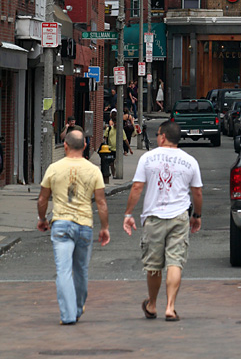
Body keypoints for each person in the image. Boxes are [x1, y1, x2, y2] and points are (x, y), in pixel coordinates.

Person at [123, 120, 203, 321]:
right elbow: (197, 192)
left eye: (158, 134)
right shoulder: (190, 161)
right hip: (179, 216)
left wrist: (128, 214)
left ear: (163, 136)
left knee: (153, 265)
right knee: (175, 262)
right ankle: (170, 307)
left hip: (154, 217)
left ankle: (152, 304)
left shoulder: (147, 158)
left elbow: (137, 187)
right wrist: (197, 215)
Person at [37, 129, 110, 325]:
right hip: (84, 224)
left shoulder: (54, 168)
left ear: (65, 146)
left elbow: (43, 198)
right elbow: (101, 202)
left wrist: (42, 218)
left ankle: (68, 315)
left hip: (61, 224)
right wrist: (104, 227)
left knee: (63, 270)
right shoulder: (93, 170)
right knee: (81, 270)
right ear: (85, 146)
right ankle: (77, 308)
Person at [104, 113, 128, 178]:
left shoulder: (120, 130)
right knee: (111, 163)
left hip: (118, 150)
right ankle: (114, 174)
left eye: (116, 122)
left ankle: (116, 173)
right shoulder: (109, 129)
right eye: (114, 122)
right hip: (110, 149)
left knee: (116, 162)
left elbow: (125, 139)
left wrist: (129, 148)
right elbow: (105, 138)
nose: (115, 124)